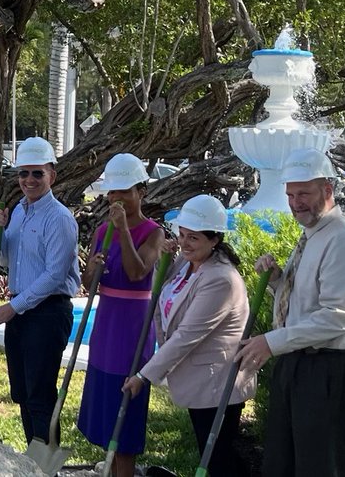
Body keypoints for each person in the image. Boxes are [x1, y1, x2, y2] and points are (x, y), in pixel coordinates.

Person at [235, 146, 345, 477]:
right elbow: (310, 302)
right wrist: (277, 280)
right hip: (304, 365)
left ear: (327, 190)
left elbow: (338, 318)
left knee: (318, 468)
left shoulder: (342, 239)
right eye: (290, 194)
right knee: (283, 465)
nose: (296, 202)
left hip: (330, 370)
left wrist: (272, 342)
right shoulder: (316, 234)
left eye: (304, 193)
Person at [120, 194, 253, 477]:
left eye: (193, 238)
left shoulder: (220, 279)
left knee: (217, 457)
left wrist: (144, 376)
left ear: (214, 239)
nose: (184, 243)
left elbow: (187, 335)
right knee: (214, 452)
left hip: (216, 382)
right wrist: (164, 261)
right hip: (198, 379)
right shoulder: (186, 260)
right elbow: (162, 295)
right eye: (181, 235)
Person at [0, 136, 81, 444]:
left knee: (39, 393)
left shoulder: (60, 218)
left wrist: (12, 308)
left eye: (37, 173)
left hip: (48, 311)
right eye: (23, 173)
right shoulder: (20, 212)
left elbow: (55, 274)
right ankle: (34, 456)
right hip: (22, 310)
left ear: (52, 174)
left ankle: (47, 463)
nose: (29, 179)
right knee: (23, 392)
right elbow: (5, 258)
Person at [76, 154, 166, 477]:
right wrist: (94, 268)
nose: (117, 198)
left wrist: (124, 231)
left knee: (124, 425)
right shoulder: (102, 231)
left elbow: (135, 271)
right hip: (106, 327)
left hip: (132, 328)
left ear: (141, 191)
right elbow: (88, 283)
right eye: (112, 192)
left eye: (125, 191)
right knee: (105, 419)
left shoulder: (153, 232)